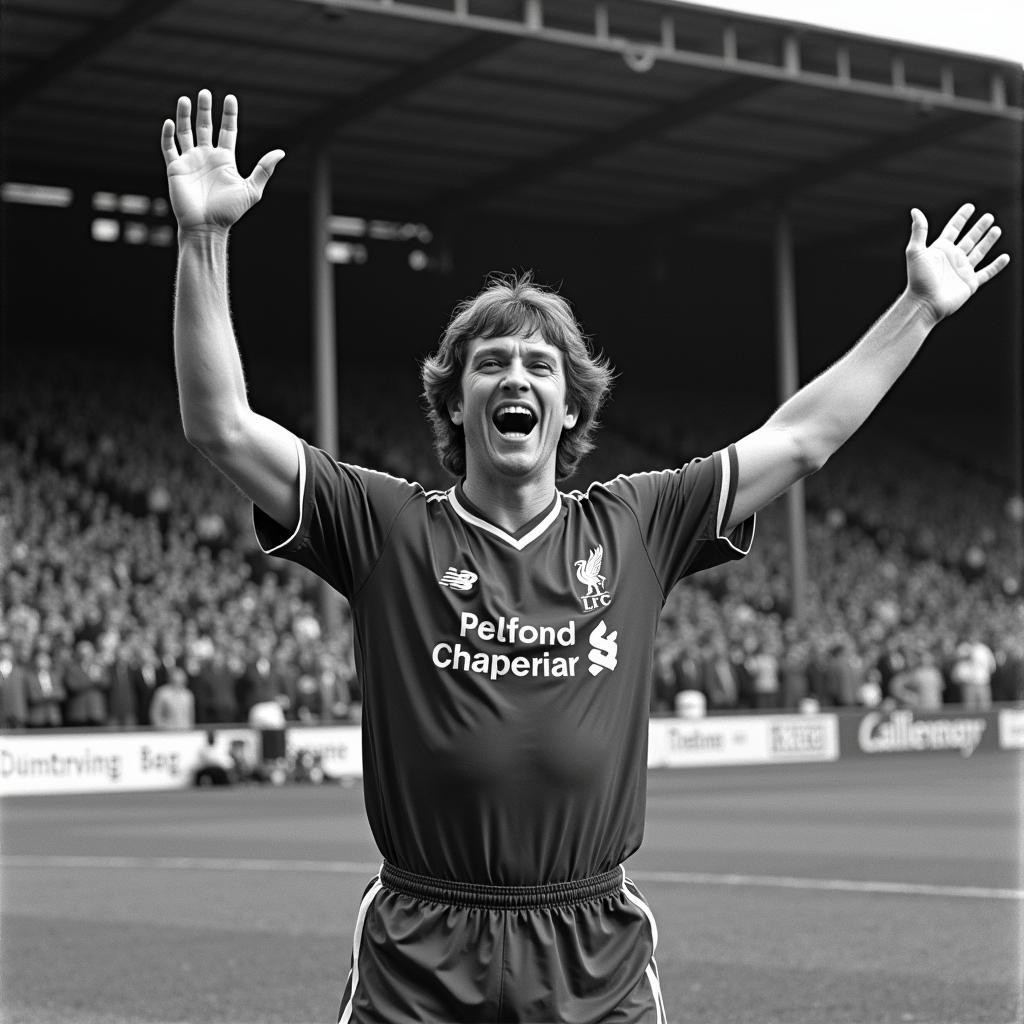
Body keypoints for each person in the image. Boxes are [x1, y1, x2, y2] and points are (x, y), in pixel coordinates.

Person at [161, 89, 1010, 1024]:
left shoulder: (636, 524)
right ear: (452, 404)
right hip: (418, 943)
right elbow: (221, 426)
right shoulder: (385, 523)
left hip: (589, 941)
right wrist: (204, 240)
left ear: (571, 410)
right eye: (489, 363)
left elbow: (800, 438)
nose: (514, 377)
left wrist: (918, 312)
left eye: (540, 366)